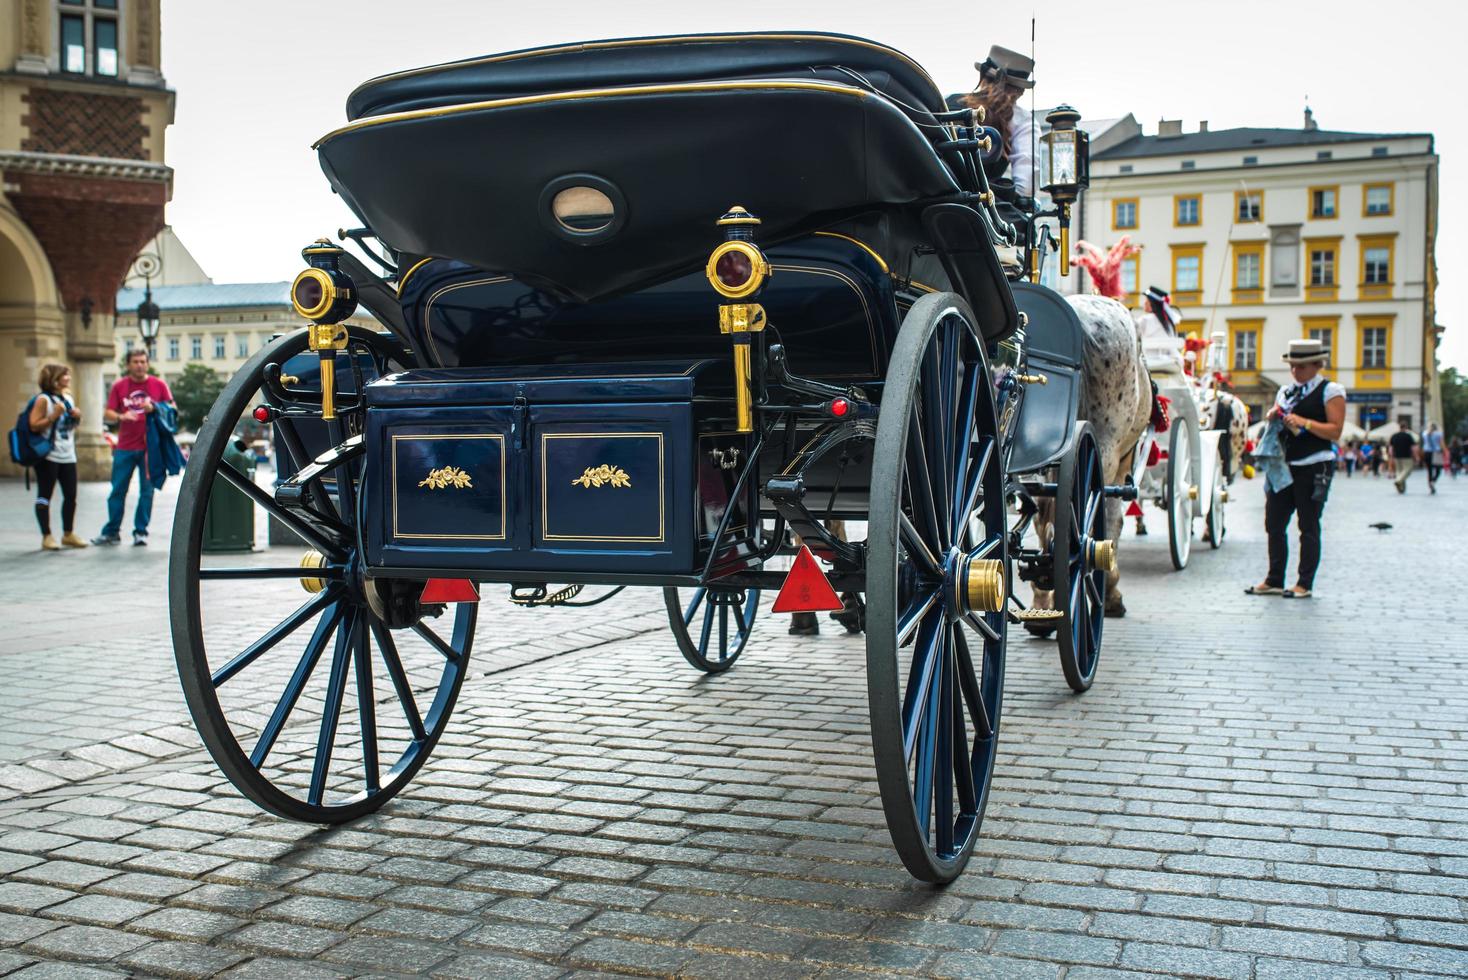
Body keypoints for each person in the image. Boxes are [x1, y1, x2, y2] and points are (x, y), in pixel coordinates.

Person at [1246, 339, 1346, 599]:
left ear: (1316, 365)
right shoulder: (1286, 392)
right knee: (1274, 522)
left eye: (1300, 366)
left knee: (1308, 524)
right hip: (1283, 466)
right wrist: (1275, 417)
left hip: (1314, 464)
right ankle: (1275, 578)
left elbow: (1335, 431)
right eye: (1292, 365)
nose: (1295, 371)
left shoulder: (1330, 390)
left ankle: (1304, 583)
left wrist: (1305, 423)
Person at [93, 348, 175, 546]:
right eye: (135, 362)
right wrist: (122, 416)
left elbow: (173, 408)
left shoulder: (158, 385)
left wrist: (154, 407)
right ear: (128, 365)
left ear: (147, 364)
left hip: (150, 448)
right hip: (125, 446)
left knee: (147, 491)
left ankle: (141, 532)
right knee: (117, 490)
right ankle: (112, 531)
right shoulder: (120, 386)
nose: (139, 365)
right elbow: (108, 413)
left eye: (142, 361)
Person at [961, 45, 1036, 196]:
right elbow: (1026, 186)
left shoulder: (953, 102)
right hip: (983, 203)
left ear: (983, 77)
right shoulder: (1023, 119)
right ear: (1020, 90)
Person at [29, 363, 87, 551]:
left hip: (68, 454)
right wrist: (53, 416)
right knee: (45, 495)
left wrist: (77, 416)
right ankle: (47, 536)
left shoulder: (67, 398)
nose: (68, 378)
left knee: (71, 496)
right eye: (65, 375)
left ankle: (68, 534)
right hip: (49, 456)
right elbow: (34, 425)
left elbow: (70, 426)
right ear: (54, 378)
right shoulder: (43, 400)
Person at [1388, 421, 1417, 494]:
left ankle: (1401, 488)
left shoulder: (1394, 436)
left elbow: (1391, 448)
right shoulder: (1408, 436)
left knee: (1399, 471)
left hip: (1396, 456)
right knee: (1407, 470)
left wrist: (1391, 456)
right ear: (1406, 427)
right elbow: (1413, 448)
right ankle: (1398, 481)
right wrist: (1415, 456)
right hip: (1406, 456)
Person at [1421, 422, 1444, 493]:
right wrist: (1444, 451)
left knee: (1429, 470)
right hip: (1436, 453)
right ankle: (1433, 481)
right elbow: (1441, 443)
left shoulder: (1424, 433)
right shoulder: (1439, 434)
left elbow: (1423, 443)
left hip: (1427, 453)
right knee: (1438, 470)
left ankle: (1430, 484)